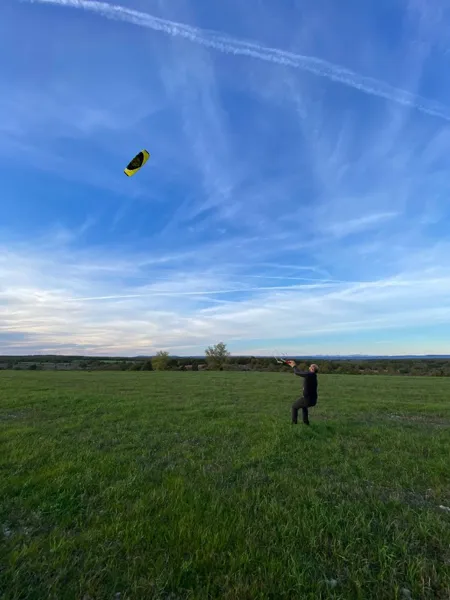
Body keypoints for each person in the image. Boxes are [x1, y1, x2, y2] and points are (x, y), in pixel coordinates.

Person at [286, 361, 319, 425]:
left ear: (312, 369)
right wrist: (293, 366)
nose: (309, 367)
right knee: (304, 407)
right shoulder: (313, 375)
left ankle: (294, 424)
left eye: (310, 366)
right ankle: (306, 423)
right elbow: (300, 372)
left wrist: (294, 366)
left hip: (307, 399)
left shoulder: (310, 375)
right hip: (313, 400)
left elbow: (297, 372)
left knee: (294, 407)